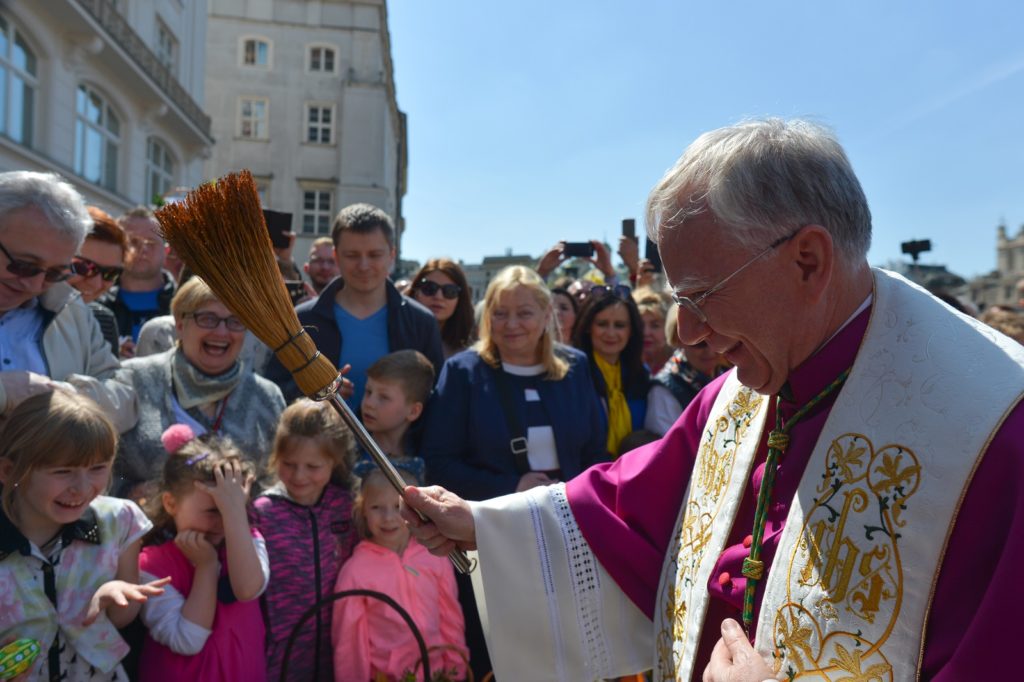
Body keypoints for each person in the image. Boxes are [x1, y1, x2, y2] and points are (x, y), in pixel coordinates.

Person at [402, 118, 1024, 681]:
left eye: (702, 295)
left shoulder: (996, 427)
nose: (689, 332)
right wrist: (486, 523)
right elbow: (625, 512)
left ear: (807, 261)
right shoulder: (736, 393)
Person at [421, 265, 609, 679]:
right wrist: (512, 486)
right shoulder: (464, 373)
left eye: (524, 313)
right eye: (500, 313)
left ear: (546, 317)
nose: (511, 324)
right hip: (492, 538)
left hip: (566, 533)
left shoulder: (576, 367)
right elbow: (440, 459)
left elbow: (597, 453)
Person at [0, 391, 168, 681]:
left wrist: (112, 596)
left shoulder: (118, 520)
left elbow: (121, 619)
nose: (82, 487)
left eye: (97, 469)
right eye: (62, 471)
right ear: (9, 470)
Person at [112, 277, 285, 500]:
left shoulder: (266, 397)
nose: (222, 332)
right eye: (207, 319)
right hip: (146, 528)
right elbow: (99, 468)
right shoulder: (133, 380)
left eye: (235, 321)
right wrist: (130, 491)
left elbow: (278, 480)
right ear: (181, 325)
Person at [265, 203, 443, 406]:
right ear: (336, 256)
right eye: (352, 255)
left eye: (374, 255)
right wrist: (317, 393)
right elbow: (274, 393)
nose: (364, 266)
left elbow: (435, 401)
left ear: (391, 256)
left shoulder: (421, 322)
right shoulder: (301, 320)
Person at [0, 171, 136, 433]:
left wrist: (64, 396)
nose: (35, 285)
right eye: (24, 266)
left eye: (54, 273)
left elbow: (125, 401)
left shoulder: (71, 310)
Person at [138, 427, 269, 681]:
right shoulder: (152, 565)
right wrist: (206, 567)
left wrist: (235, 514)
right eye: (213, 511)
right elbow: (188, 640)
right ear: (171, 504)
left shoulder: (247, 541)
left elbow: (248, 589)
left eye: (231, 510)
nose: (223, 523)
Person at [253, 399, 358, 682]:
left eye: (312, 466)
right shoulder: (263, 512)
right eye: (289, 464)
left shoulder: (346, 507)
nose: (299, 476)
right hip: (280, 654)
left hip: (340, 649)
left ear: (333, 462)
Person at [332, 468, 467, 682]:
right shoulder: (354, 572)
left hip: (438, 674)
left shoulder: (436, 556)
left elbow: (450, 616)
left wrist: (457, 669)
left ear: (417, 510)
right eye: (377, 507)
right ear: (362, 509)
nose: (388, 517)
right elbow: (349, 643)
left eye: (398, 507)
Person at [572, 287, 649, 457]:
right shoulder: (571, 375)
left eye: (620, 325)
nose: (611, 333)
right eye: (602, 324)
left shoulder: (642, 375)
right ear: (587, 327)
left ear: (631, 331)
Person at [98, 207, 175, 353]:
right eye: (133, 241)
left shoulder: (185, 305)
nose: (143, 249)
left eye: (151, 243)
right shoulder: (95, 303)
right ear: (118, 248)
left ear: (166, 251)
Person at [644, 304, 728, 436]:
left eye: (717, 340)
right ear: (679, 340)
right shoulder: (664, 389)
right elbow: (668, 446)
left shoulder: (729, 375)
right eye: (700, 343)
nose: (711, 351)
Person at [361, 349, 435, 475]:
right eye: (368, 391)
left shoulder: (424, 463)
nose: (369, 403)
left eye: (384, 397)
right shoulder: (348, 452)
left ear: (413, 411)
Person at [67, 206, 127, 355]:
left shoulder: (102, 320)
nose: (96, 283)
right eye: (83, 267)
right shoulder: (12, 308)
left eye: (111, 273)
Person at [409, 258, 475, 358]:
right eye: (429, 288)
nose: (438, 296)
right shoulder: (394, 337)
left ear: (460, 299)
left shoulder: (470, 354)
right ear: (416, 292)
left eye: (450, 291)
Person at [633, 288, 673, 374]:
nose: (646, 333)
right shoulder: (624, 366)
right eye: (640, 326)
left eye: (655, 326)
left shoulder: (679, 366)